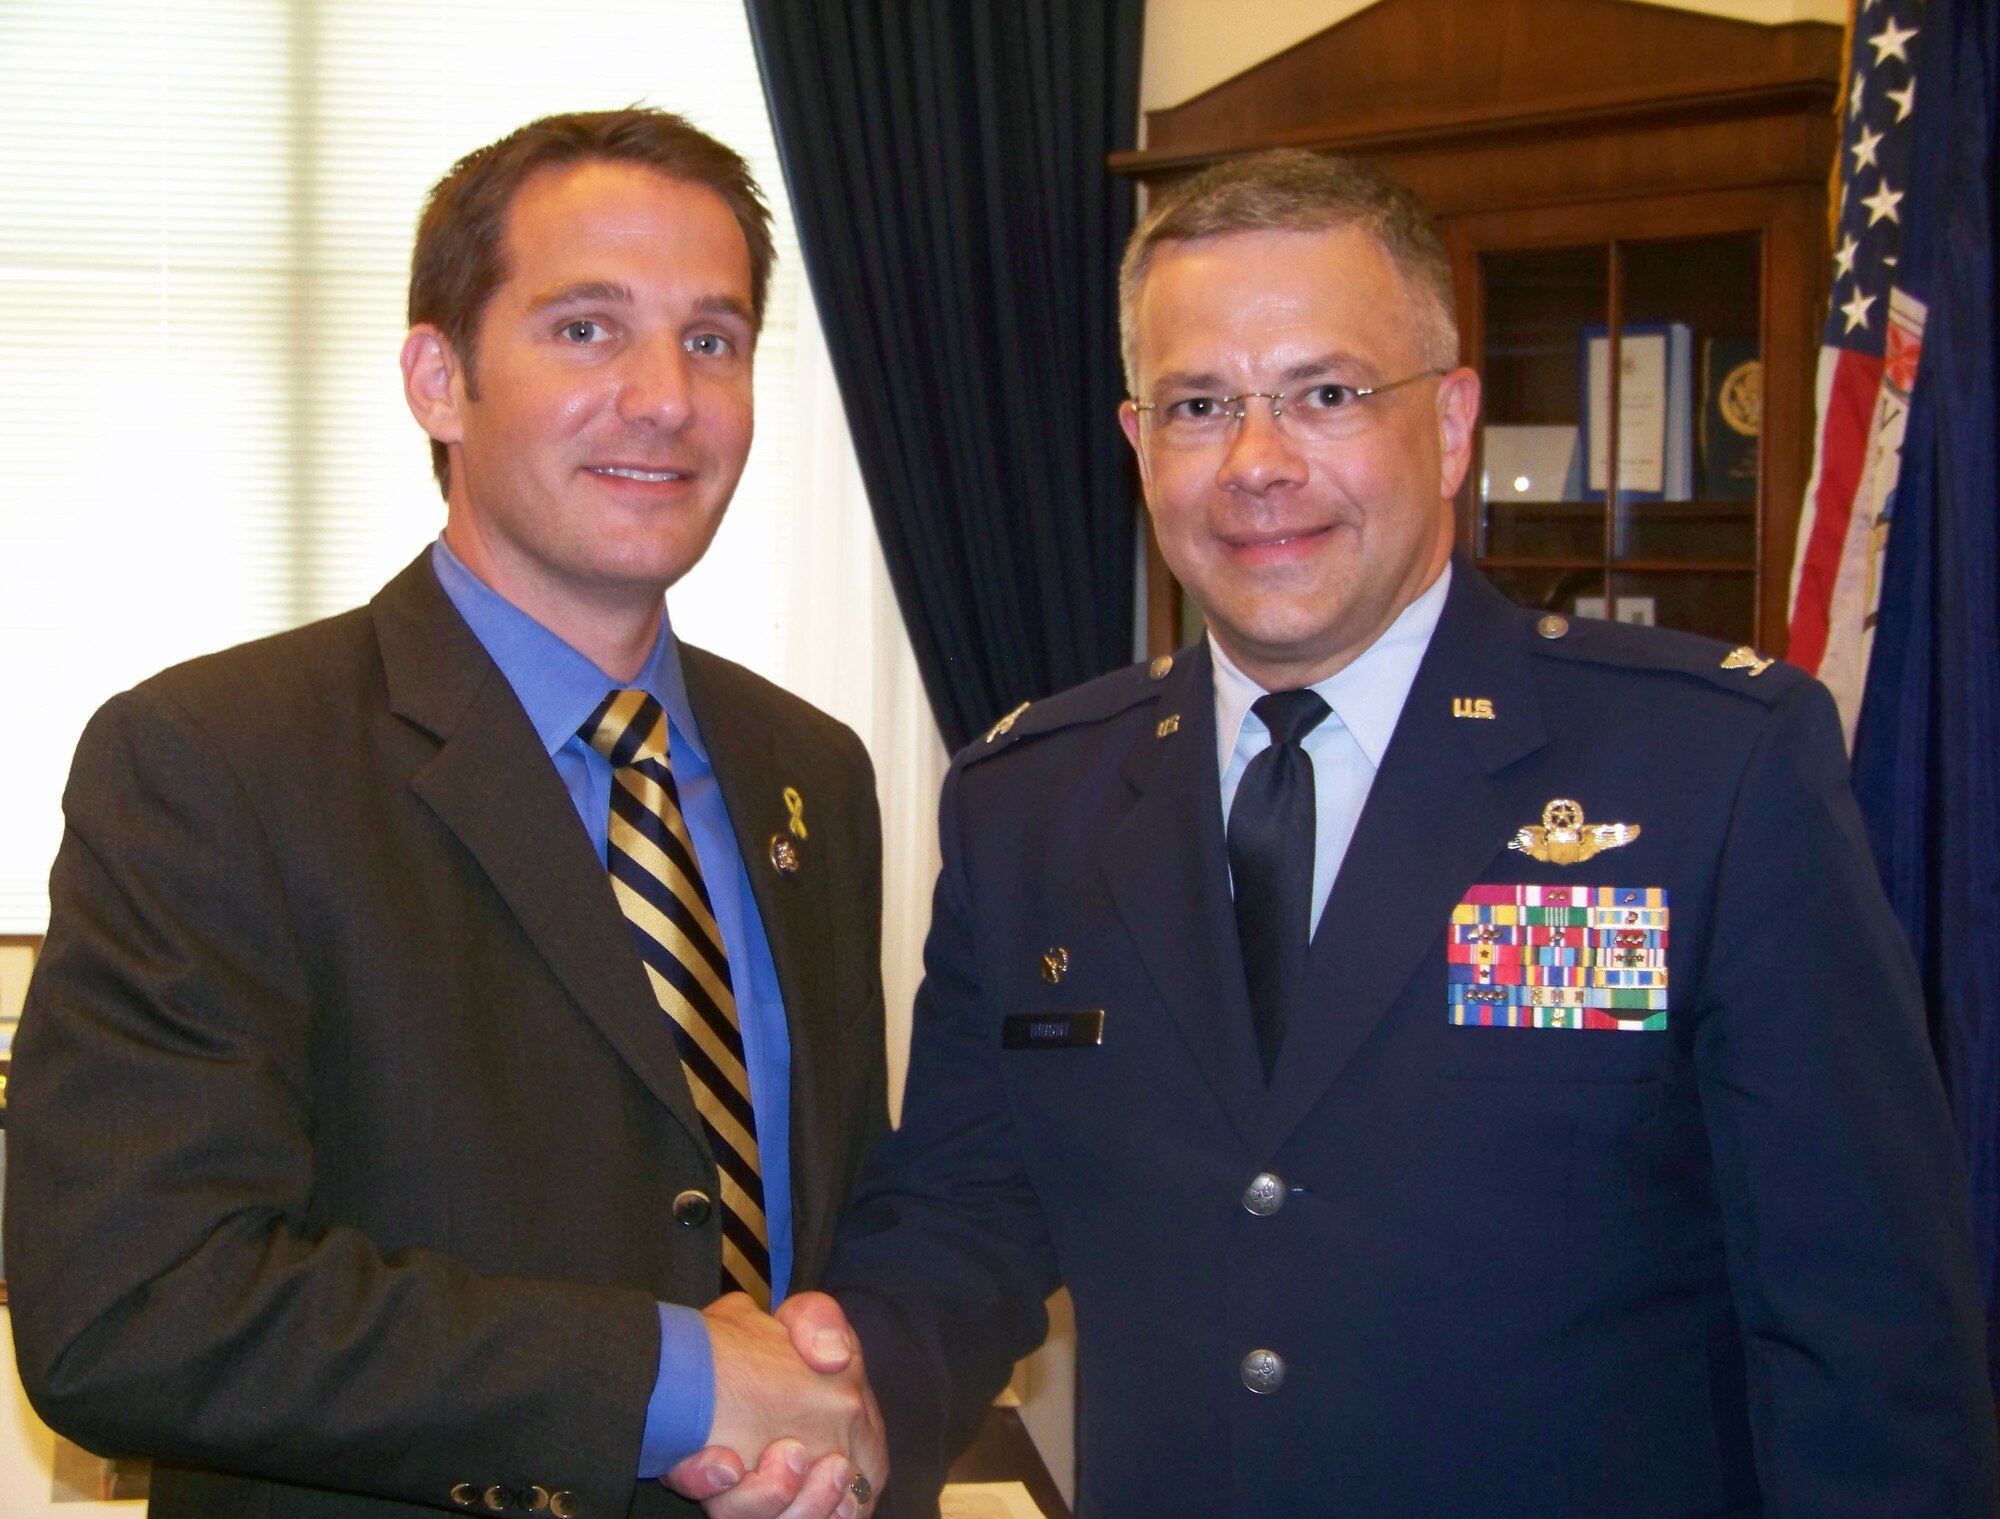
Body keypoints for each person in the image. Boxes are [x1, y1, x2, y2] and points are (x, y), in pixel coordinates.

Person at [756, 151, 1996, 1516]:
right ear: (1138, 443)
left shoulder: (1713, 770)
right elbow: (964, 1211)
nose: (1259, 464)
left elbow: (1865, 1332)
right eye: (1199, 405)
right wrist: (847, 1394)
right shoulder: (1026, 802)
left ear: (1453, 424)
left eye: (1327, 394)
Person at [5, 109, 889, 1519]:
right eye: (587, 329)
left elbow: (838, 1225)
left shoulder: (814, 774)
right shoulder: (211, 761)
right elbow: (132, 1303)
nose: (666, 396)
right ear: (438, 377)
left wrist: (843, 1402)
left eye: (713, 339)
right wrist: (670, 1380)